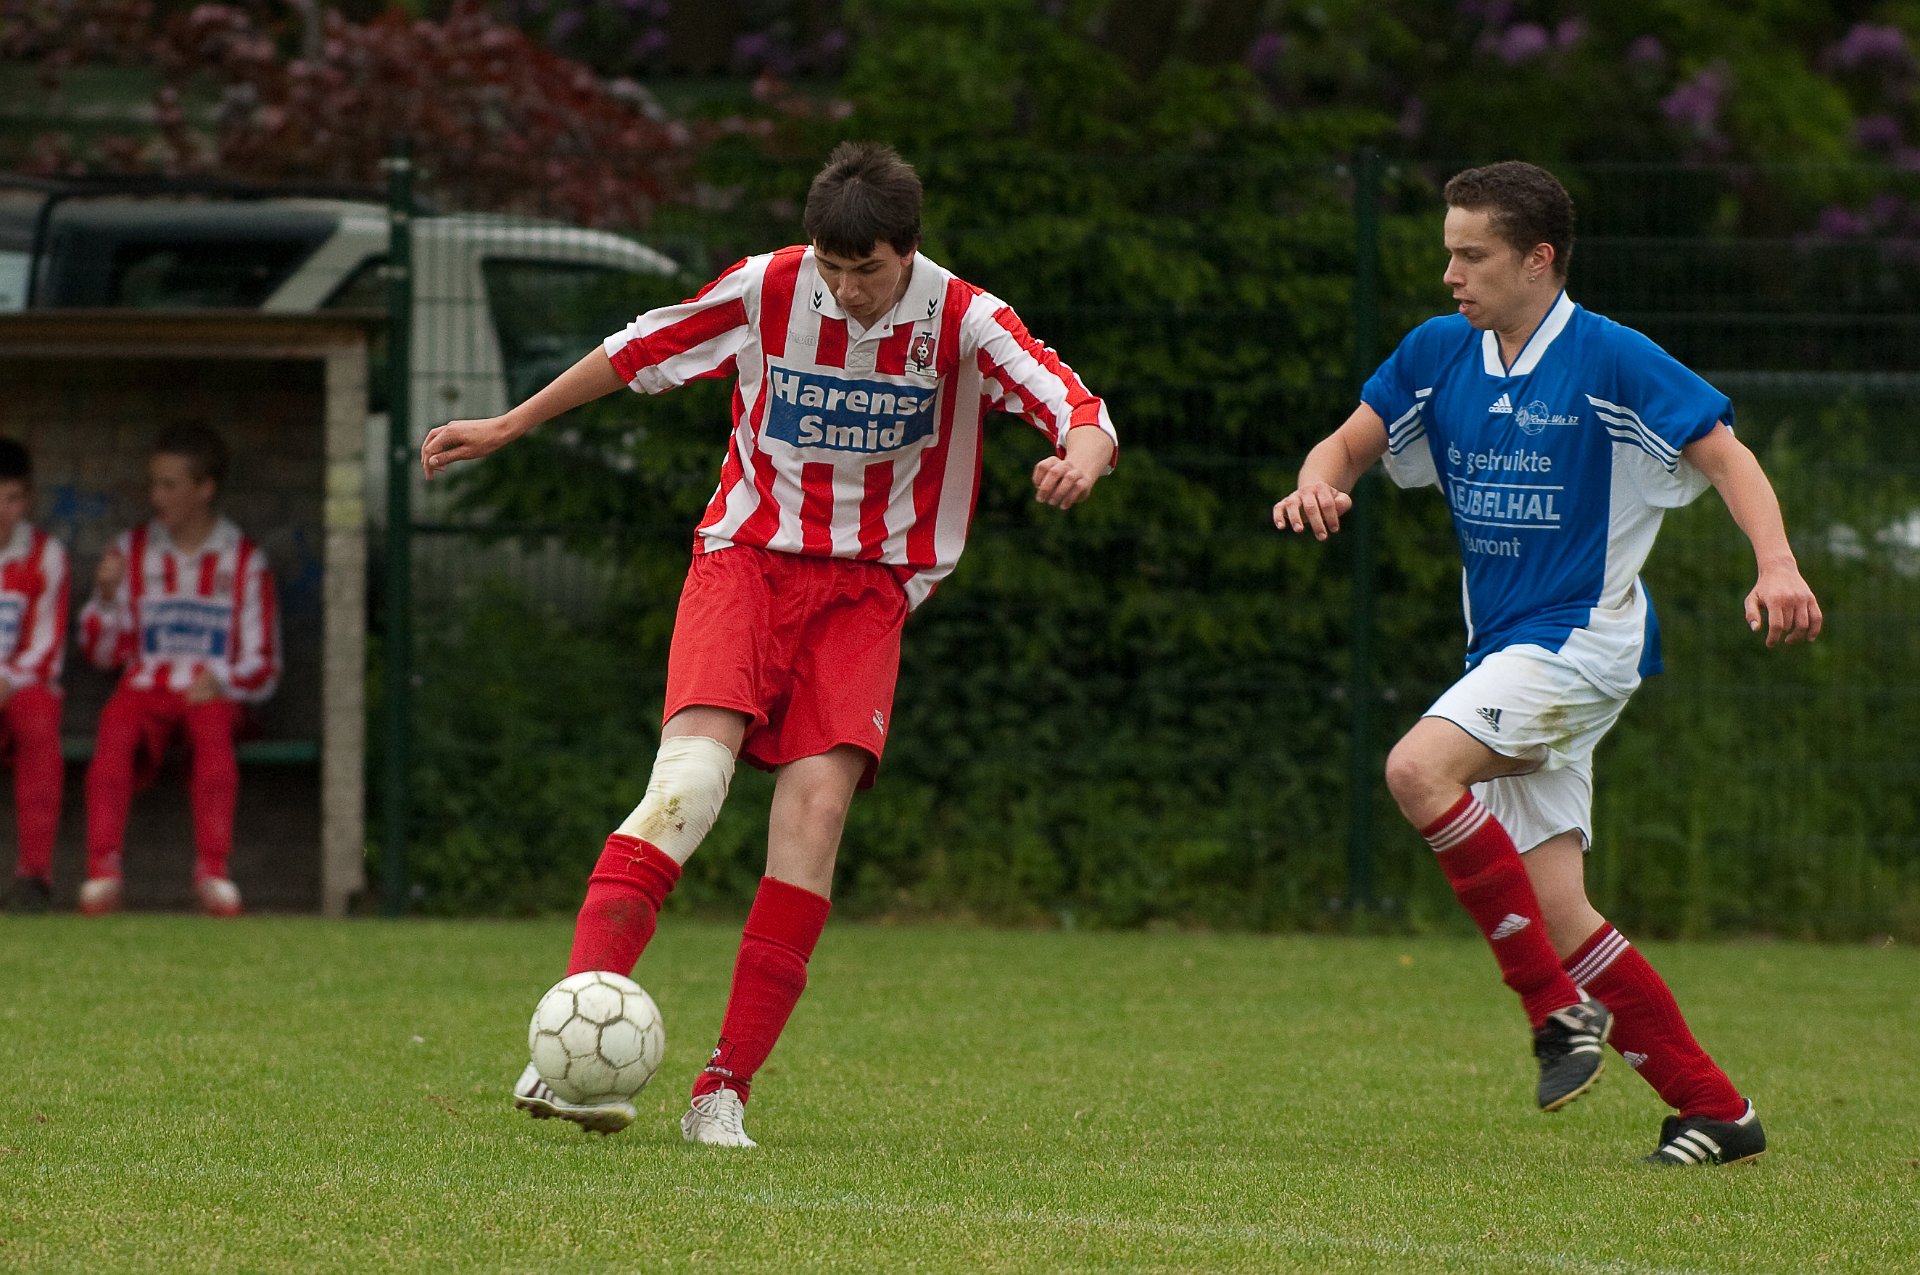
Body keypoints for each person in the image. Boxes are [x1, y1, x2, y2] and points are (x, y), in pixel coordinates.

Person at [422, 140, 1117, 1148]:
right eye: (831, 267)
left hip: (867, 593)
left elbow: (1079, 409)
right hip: (743, 563)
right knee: (688, 783)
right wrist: (509, 425)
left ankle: (723, 1090)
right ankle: (568, 1042)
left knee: (815, 817)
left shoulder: (966, 319)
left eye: (866, 271)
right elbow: (638, 348)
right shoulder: (767, 288)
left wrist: (1080, 460)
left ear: (908, 252)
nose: (845, 290)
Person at [1273, 161, 1820, 1166]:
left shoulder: (1611, 358)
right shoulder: (1439, 353)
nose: (1451, 274)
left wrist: (1777, 564)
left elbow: (1726, 455)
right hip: (1505, 652)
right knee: (1558, 908)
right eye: (1448, 253)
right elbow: (1344, 446)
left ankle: (1551, 1009)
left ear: (1539, 259)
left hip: (1581, 640)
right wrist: (1317, 483)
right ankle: (1717, 1111)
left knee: (1416, 769)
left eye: (1472, 255)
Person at [77, 422, 282, 917]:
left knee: (213, 729)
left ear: (205, 488)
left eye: (169, 485)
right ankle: (102, 872)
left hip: (209, 694)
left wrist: (223, 681)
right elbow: (100, 654)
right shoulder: (131, 551)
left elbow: (264, 662)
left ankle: (213, 872)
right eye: (154, 484)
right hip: (145, 690)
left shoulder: (243, 560)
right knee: (115, 725)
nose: (157, 497)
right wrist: (105, 597)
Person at [0, 438, 70, 915]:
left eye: (11, 499)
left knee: (40, 722)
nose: (1, 512)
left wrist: (7, 680)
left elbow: (47, 645)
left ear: (27, 500)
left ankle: (33, 876)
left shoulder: (46, 555)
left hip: (19, 689)